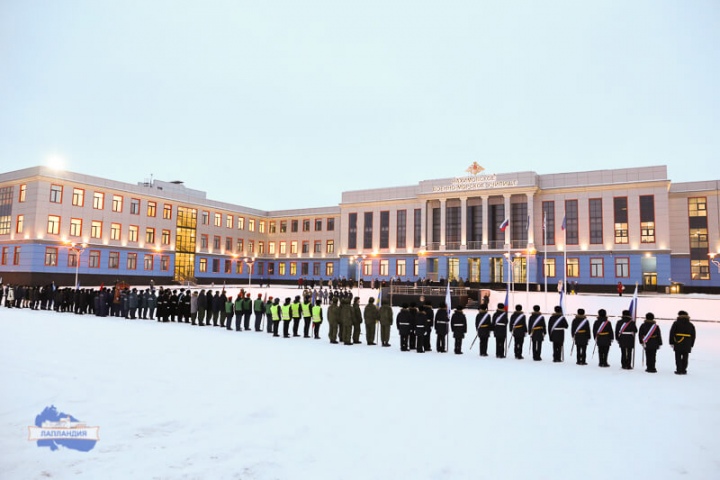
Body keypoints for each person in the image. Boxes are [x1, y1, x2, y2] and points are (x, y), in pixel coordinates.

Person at [669, 310, 696, 375]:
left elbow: (672, 333)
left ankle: (679, 370)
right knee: (685, 356)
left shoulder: (676, 323)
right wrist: (691, 344)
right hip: (687, 342)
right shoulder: (691, 324)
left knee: (678, 356)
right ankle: (684, 369)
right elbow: (693, 335)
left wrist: (671, 342)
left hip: (678, 341)